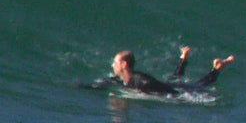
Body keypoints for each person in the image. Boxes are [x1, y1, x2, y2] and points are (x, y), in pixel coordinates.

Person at [90, 46, 234, 96]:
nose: (113, 65)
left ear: (124, 64)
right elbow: (103, 84)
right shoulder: (120, 78)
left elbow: (174, 93)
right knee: (175, 78)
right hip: (165, 84)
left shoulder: (144, 82)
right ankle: (183, 59)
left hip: (169, 89)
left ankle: (217, 68)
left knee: (197, 86)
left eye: (115, 62)